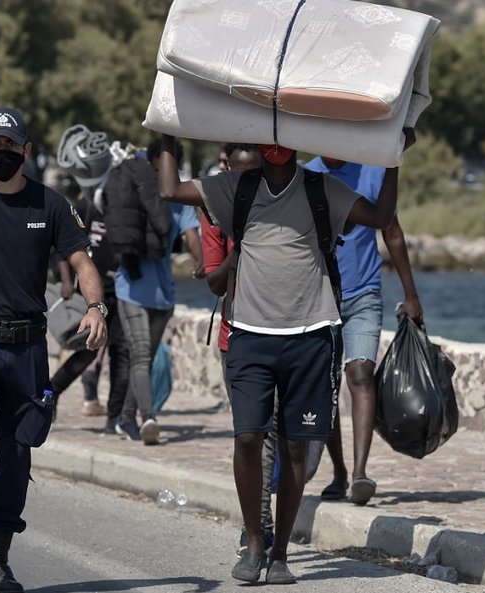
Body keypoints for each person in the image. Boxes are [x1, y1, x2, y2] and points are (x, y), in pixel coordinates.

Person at [157, 129, 415, 584]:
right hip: (250, 338)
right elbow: (171, 189)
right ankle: (254, 543)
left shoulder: (322, 189)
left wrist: (392, 157)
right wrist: (168, 130)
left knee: (297, 445)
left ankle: (280, 553)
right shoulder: (236, 186)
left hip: (311, 336)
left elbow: (379, 216)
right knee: (248, 439)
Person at [0, 107, 107, 593]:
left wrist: (97, 308)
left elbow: (82, 261)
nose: (2, 154)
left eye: (11, 146)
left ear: (27, 150)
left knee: (19, 448)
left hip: (27, 347)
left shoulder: (50, 204)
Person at [303, 155, 423, 506]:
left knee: (360, 373)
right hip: (321, 295)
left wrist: (411, 294)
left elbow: (393, 232)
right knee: (327, 385)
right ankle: (339, 472)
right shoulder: (307, 176)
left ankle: (359, 473)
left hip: (365, 294)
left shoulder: (372, 170)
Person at [200, 143, 277, 554]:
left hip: (290, 336)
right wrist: (242, 243)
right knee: (255, 436)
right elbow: (214, 282)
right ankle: (257, 530)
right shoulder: (214, 215)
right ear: (226, 169)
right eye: (236, 173)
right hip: (238, 338)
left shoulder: (285, 204)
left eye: (255, 173)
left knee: (286, 439)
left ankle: (262, 517)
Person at [109, 138, 202, 445]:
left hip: (160, 294)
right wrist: (201, 263)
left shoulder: (175, 196)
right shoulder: (154, 191)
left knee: (144, 359)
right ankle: (148, 417)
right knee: (140, 354)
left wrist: (202, 263)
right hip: (132, 289)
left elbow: (191, 234)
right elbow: (192, 237)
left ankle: (125, 418)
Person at [49, 124, 130, 429]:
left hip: (121, 289)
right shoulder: (86, 205)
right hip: (93, 292)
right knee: (84, 352)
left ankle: (115, 416)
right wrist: (68, 281)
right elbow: (66, 246)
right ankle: (51, 391)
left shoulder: (122, 204)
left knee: (121, 352)